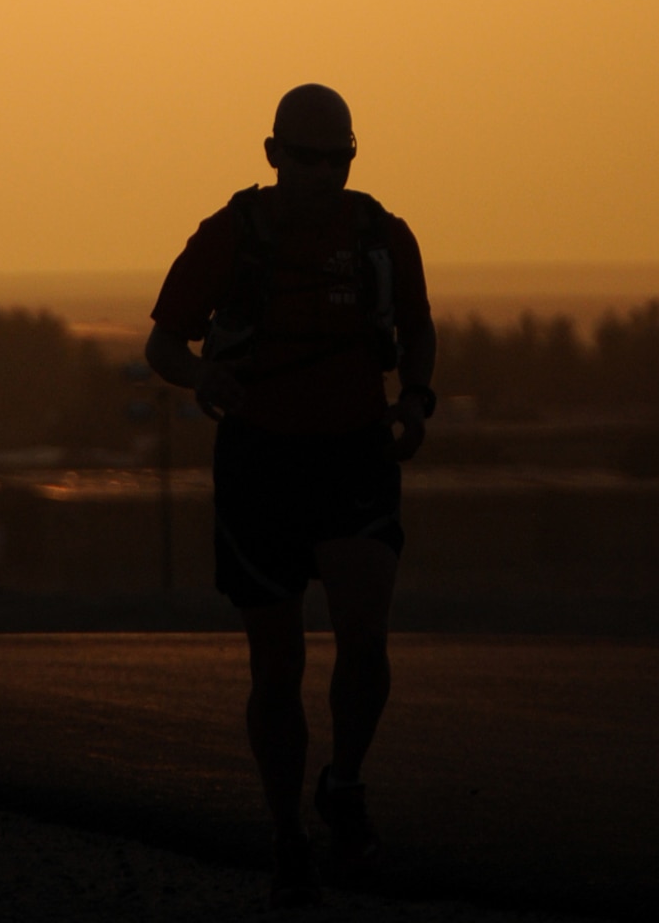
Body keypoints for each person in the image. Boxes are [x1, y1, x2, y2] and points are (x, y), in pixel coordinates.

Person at [145, 84, 436, 907]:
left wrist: (415, 399)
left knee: (364, 639)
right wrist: (201, 375)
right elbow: (163, 340)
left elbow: (416, 326)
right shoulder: (228, 236)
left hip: (353, 457)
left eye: (336, 158)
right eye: (306, 157)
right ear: (272, 154)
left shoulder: (383, 236)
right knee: (276, 667)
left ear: (352, 156)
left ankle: (343, 784)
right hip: (259, 465)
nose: (322, 172)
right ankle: (286, 835)